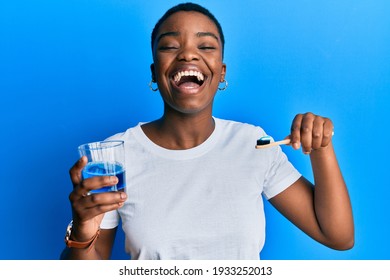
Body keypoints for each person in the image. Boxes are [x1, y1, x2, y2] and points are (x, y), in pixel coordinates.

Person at [61, 2, 354, 260]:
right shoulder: (115, 155)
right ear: (154, 73)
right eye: (170, 46)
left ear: (222, 72)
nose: (188, 55)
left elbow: (337, 236)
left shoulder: (253, 143)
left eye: (205, 46)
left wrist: (321, 147)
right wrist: (83, 229)